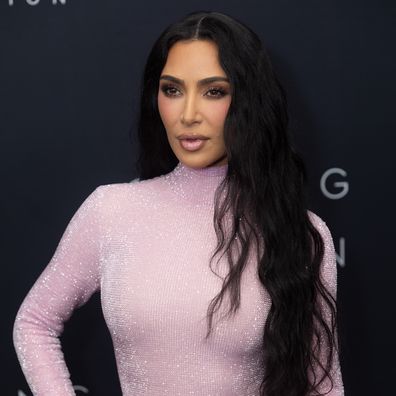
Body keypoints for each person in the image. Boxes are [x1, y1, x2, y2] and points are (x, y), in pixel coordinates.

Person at [13, 10, 344, 396]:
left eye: (213, 91)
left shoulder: (299, 233)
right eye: (172, 90)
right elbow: (35, 321)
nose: (188, 115)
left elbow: (323, 385)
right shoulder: (112, 212)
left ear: (249, 102)